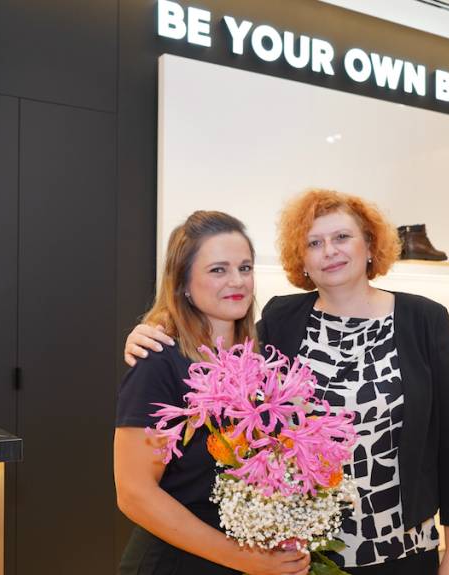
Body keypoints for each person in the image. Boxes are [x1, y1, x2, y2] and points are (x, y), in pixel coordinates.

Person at [125, 191, 449, 575]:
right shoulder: (283, 319)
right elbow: (216, 348)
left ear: (369, 244)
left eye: (342, 237)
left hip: (403, 546)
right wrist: (156, 328)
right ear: (302, 260)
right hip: (307, 553)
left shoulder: (423, 319)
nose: (329, 251)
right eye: (314, 243)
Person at [114, 210, 311, 575]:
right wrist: (243, 558)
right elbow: (134, 494)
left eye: (245, 268)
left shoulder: (262, 358)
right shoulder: (159, 362)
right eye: (218, 270)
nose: (237, 281)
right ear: (183, 283)